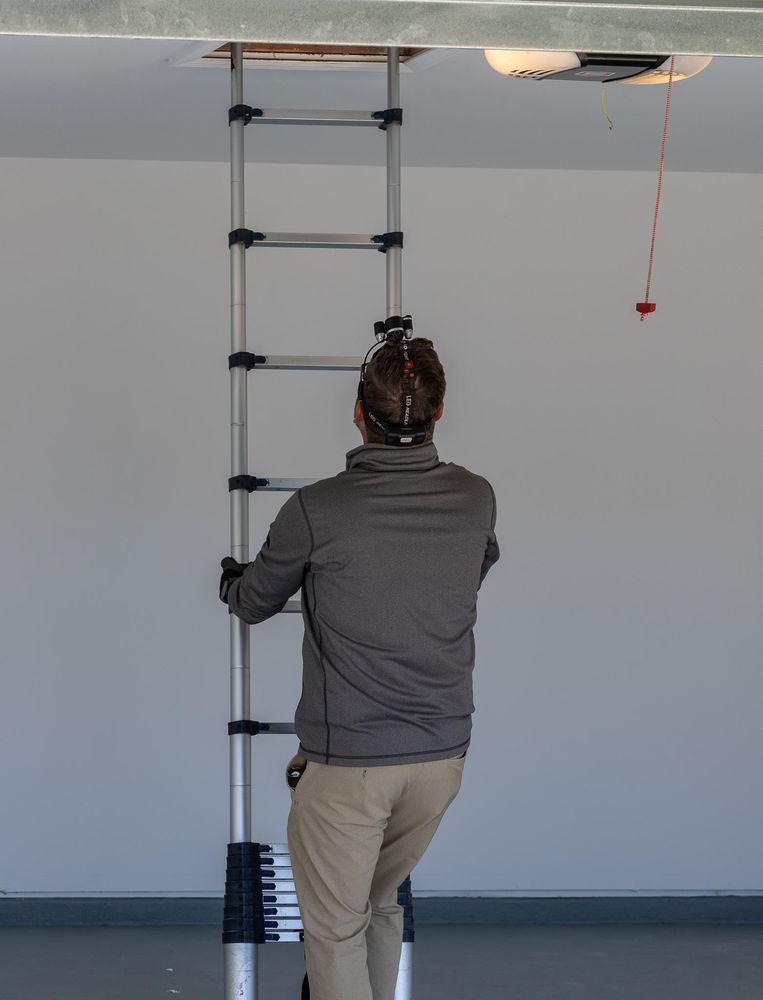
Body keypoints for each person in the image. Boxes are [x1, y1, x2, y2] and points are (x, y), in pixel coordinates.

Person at [219, 332, 499, 1000]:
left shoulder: (318, 508)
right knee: (378, 905)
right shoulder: (474, 496)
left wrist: (232, 580)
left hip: (351, 766)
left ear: (356, 412)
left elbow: (254, 604)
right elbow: (473, 567)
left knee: (336, 930)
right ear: (438, 413)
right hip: (439, 758)